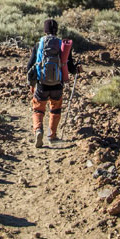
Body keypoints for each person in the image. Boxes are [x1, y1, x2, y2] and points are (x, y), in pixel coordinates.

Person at [26, 18, 80, 148]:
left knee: (38, 109)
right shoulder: (63, 45)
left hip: (41, 84)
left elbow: (29, 65)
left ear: (45, 30)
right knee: (55, 110)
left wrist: (32, 83)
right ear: (56, 30)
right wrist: (77, 68)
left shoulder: (39, 45)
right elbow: (71, 67)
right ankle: (52, 136)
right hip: (57, 85)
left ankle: (38, 130)